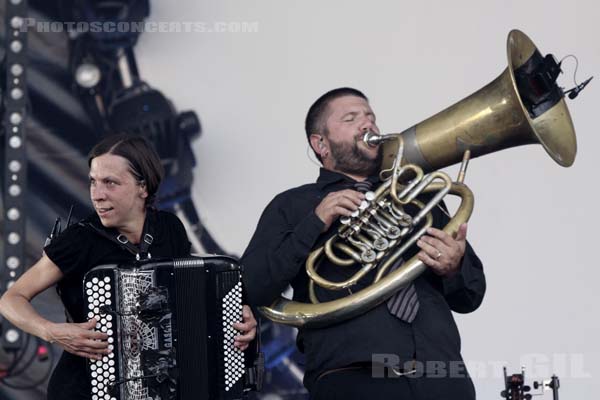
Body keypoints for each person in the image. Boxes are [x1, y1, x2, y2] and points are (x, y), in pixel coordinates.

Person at [242, 88, 486, 399]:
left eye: (370, 117)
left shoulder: (419, 195)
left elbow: (472, 295)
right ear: (320, 144)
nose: (367, 124)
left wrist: (455, 268)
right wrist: (316, 221)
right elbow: (250, 287)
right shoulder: (293, 205)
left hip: (441, 376)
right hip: (352, 381)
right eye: (351, 118)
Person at [0, 134, 257, 399]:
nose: (97, 195)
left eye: (110, 183)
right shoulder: (79, 240)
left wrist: (237, 319)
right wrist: (51, 331)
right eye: (93, 182)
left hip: (161, 388)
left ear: (142, 187)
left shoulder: (169, 228)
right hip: (83, 389)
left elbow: (192, 296)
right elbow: (11, 299)